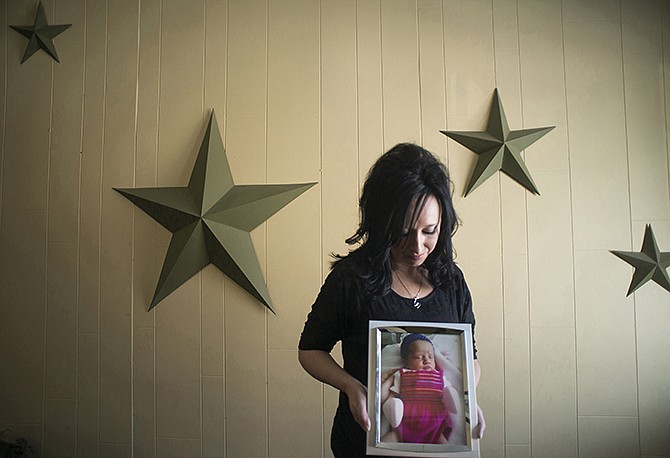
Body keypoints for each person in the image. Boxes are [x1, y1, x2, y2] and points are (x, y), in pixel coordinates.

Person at [298, 143, 485, 457]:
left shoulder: (452, 282)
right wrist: (350, 386)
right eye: (403, 231)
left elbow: (470, 357)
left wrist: (465, 398)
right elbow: (310, 350)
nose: (417, 246)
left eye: (430, 231)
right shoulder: (351, 280)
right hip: (364, 441)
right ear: (381, 222)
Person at [380, 333, 459, 444]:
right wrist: (388, 386)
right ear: (406, 361)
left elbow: (447, 391)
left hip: (434, 424)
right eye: (419, 357)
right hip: (406, 421)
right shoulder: (402, 374)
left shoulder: (439, 375)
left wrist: (452, 396)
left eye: (430, 357)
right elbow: (389, 396)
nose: (427, 360)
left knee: (444, 446)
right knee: (389, 439)